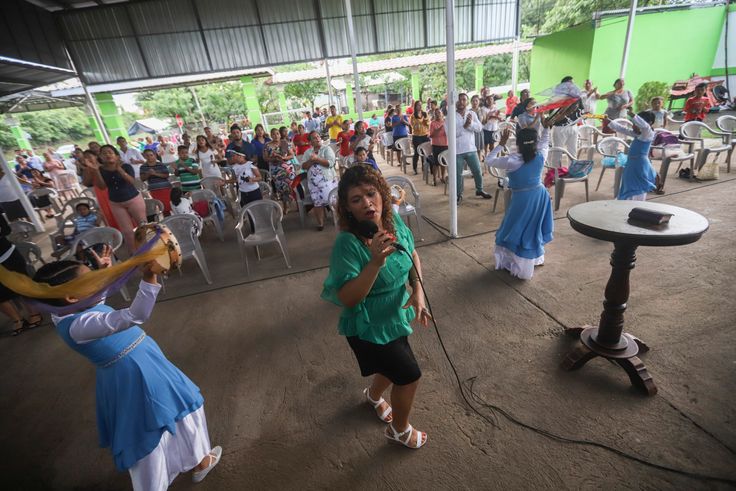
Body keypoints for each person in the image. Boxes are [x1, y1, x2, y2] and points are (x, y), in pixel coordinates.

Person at [31, 254, 221, 489]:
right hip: (135, 374)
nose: (100, 282)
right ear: (71, 296)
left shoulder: (66, 309)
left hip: (140, 366)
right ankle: (164, 479)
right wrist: (150, 275)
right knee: (150, 433)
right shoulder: (79, 326)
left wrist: (105, 272)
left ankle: (199, 462)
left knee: (180, 412)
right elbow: (135, 315)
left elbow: (96, 296)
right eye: (92, 280)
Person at [321, 165, 431, 449]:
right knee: (408, 376)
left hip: (396, 315)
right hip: (368, 325)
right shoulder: (347, 244)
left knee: (391, 366)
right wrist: (374, 263)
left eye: (371, 194)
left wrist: (418, 290)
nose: (367, 203)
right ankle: (399, 430)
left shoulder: (392, 221)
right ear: (347, 207)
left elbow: (412, 253)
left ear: (382, 195)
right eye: (356, 199)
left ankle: (372, 397)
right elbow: (348, 298)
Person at [484, 117, 554, 280]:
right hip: (540, 195)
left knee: (515, 227)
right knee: (532, 228)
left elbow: (489, 160)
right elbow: (544, 142)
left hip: (522, 199)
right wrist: (546, 129)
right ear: (534, 143)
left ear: (519, 143)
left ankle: (516, 260)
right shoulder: (540, 154)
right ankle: (533, 258)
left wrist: (501, 143)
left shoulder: (512, 160)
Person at [82, 145, 146, 253]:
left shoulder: (126, 166)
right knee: (127, 232)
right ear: (100, 157)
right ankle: (136, 253)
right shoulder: (100, 170)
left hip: (134, 199)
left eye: (110, 152)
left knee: (143, 227)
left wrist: (119, 169)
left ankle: (148, 248)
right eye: (104, 153)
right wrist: (96, 170)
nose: (107, 155)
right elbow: (102, 187)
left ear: (116, 156)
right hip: (116, 203)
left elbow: (132, 182)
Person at [0, 213, 43, 336]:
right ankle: (17, 319)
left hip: (6, 254)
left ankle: (34, 313)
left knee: (21, 285)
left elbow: (6, 229)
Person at [447, 93, 492, 204]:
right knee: (458, 174)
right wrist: (464, 127)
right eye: (459, 100)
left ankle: (479, 190)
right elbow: (450, 133)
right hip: (457, 151)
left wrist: (470, 124)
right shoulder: (450, 116)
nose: (461, 102)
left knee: (477, 171)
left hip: (471, 148)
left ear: (467, 102)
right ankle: (458, 194)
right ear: (455, 102)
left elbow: (479, 128)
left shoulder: (472, 113)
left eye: (464, 100)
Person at [605, 110, 657, 201]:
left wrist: (632, 114)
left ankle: (636, 206)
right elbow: (622, 129)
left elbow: (645, 126)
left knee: (637, 188)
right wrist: (608, 120)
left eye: (636, 124)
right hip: (632, 164)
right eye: (633, 123)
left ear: (649, 123)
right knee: (629, 185)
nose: (633, 126)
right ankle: (627, 205)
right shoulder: (639, 134)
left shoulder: (648, 134)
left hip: (640, 165)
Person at [302, 131, 338, 231]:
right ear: (310, 141)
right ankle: (320, 223)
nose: (317, 138)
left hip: (328, 181)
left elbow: (330, 163)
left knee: (334, 200)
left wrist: (317, 159)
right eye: (314, 137)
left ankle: (339, 219)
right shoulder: (308, 152)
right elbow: (304, 166)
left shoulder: (326, 149)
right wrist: (311, 160)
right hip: (314, 184)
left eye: (318, 136)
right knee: (317, 203)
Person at [264, 128, 296, 213]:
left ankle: (296, 204)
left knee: (292, 186)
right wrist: (273, 158)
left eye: (277, 133)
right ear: (271, 136)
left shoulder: (285, 143)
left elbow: (292, 155)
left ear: (280, 134)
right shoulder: (267, 145)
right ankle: (285, 206)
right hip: (276, 170)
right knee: (281, 189)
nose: (276, 136)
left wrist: (284, 158)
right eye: (273, 134)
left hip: (287, 168)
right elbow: (265, 158)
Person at [551, 77, 584, 157]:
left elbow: (580, 111)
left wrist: (582, 115)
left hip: (573, 126)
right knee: (557, 151)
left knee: (573, 151)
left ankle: (573, 169)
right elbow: (553, 116)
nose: (572, 86)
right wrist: (568, 110)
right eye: (569, 83)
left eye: (573, 83)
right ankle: (555, 169)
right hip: (560, 128)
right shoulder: (557, 98)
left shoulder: (577, 97)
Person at [139, 149, 172, 215]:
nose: (149, 157)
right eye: (147, 155)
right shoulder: (143, 167)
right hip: (154, 190)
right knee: (160, 207)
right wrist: (148, 174)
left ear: (155, 156)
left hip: (165, 188)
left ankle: (170, 220)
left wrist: (155, 174)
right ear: (144, 156)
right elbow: (142, 179)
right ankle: (165, 221)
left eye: (151, 155)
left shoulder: (161, 165)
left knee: (168, 207)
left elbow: (166, 175)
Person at [409, 100, 430, 175]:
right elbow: (412, 126)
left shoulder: (425, 114)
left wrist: (425, 121)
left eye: (421, 105)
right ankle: (415, 169)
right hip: (416, 136)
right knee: (417, 153)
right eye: (418, 105)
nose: (420, 106)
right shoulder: (413, 116)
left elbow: (428, 124)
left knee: (425, 153)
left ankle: (424, 167)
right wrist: (420, 121)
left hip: (425, 135)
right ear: (415, 106)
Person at [429, 108, 448, 186]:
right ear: (434, 115)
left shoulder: (446, 122)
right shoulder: (432, 123)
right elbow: (431, 135)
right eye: (436, 113)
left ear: (442, 114)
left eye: (439, 113)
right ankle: (434, 179)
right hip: (436, 145)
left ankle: (442, 177)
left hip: (445, 145)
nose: (438, 114)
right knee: (436, 163)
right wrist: (438, 129)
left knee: (443, 163)